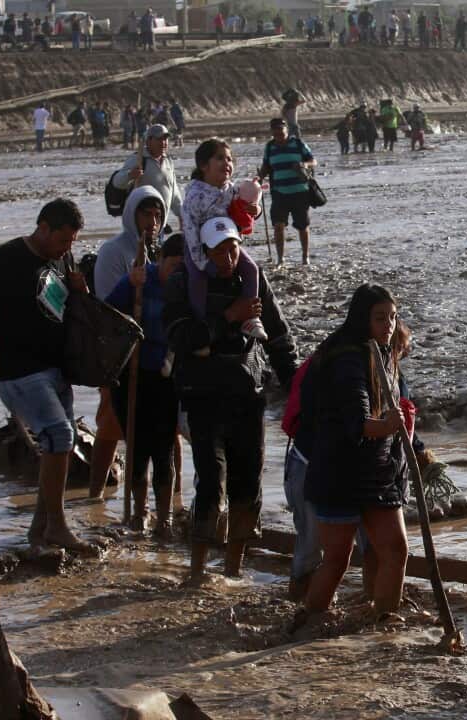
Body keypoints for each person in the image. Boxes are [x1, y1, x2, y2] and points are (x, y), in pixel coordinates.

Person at [164, 217, 296, 583]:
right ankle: (196, 570)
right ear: (204, 252)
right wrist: (228, 317)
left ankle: (233, 570)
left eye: (233, 246)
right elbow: (179, 337)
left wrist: (297, 386)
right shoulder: (182, 284)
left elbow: (278, 336)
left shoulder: (252, 280)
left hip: (247, 392)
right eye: (220, 249)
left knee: (248, 481)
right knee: (210, 479)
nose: (229, 255)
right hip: (202, 396)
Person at [0, 199, 96, 554]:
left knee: (62, 443)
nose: (66, 247)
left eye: (71, 241)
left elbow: (71, 309)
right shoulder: (7, 256)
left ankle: (40, 529)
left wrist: (79, 289)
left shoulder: (62, 260)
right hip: (16, 368)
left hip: (55, 369)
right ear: (43, 228)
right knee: (58, 434)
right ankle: (57, 525)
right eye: (62, 240)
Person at [304, 284, 410, 616]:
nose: (389, 325)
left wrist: (403, 438)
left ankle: (384, 624)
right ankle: (308, 623)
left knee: (395, 551)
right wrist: (391, 425)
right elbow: (360, 424)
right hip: (339, 471)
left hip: (376, 472)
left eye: (393, 317)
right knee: (337, 559)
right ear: (362, 319)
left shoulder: (385, 353)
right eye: (380, 318)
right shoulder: (349, 357)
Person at [88, 186, 166, 498]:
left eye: (157, 214)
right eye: (146, 214)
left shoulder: (160, 251)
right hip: (118, 353)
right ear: (132, 215)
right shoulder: (114, 251)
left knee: (165, 429)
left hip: (155, 353)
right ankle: (95, 495)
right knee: (111, 424)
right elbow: (106, 307)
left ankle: (168, 498)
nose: (153, 221)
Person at [103, 232, 183, 536]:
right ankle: (139, 513)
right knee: (136, 447)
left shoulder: (186, 287)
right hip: (131, 377)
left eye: (182, 267)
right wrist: (131, 288)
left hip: (167, 377)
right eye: (172, 265)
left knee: (163, 448)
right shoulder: (137, 280)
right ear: (160, 260)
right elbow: (108, 316)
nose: (177, 272)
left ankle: (165, 519)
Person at [181, 138, 266, 341]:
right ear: (203, 166)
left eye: (229, 159)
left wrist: (256, 210)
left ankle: (251, 316)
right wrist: (203, 262)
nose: (227, 163)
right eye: (220, 158)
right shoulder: (194, 195)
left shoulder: (231, 189)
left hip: (228, 244)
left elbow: (249, 205)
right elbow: (190, 230)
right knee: (197, 279)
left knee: (252, 269)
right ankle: (200, 321)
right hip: (199, 246)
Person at [258, 118, 316, 266]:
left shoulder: (298, 144)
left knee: (303, 226)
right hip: (279, 192)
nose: (278, 132)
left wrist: (303, 164)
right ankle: (280, 258)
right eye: (275, 129)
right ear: (272, 131)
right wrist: (259, 177)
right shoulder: (270, 147)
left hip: (300, 192)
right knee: (278, 225)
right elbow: (266, 166)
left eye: (281, 129)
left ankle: (305, 257)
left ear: (286, 129)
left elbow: (313, 161)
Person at [113, 124, 184, 226]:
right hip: (140, 224)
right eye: (159, 139)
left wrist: (181, 214)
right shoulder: (139, 160)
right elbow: (117, 182)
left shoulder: (168, 161)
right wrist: (130, 175)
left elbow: (173, 191)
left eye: (165, 139)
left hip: (160, 223)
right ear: (149, 141)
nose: (163, 143)